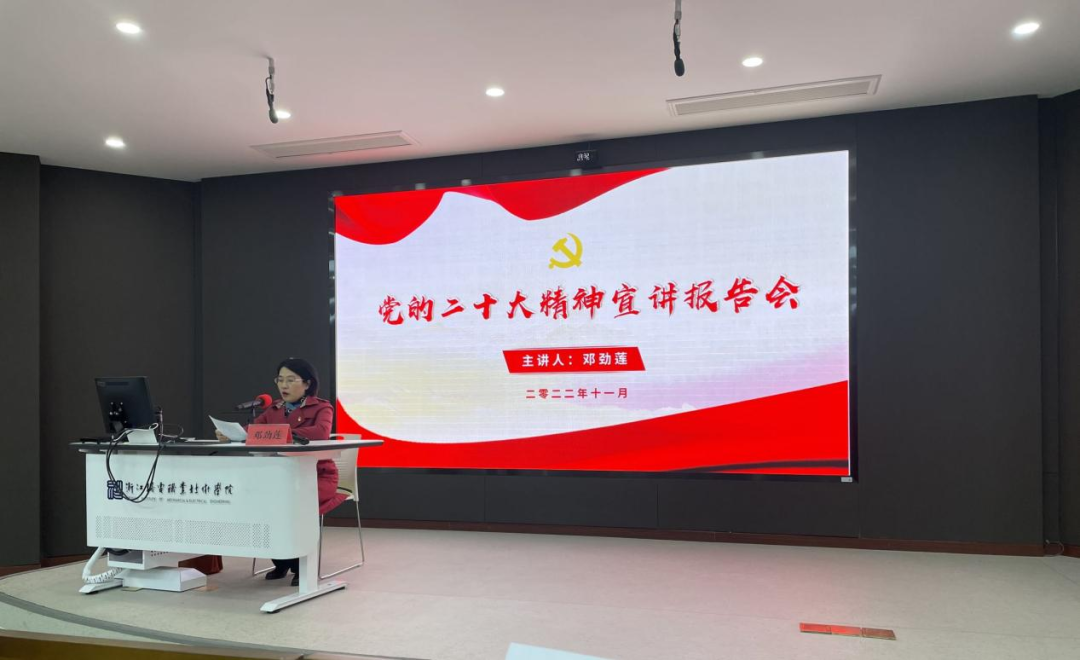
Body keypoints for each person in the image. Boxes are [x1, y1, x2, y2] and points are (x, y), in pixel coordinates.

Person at [216, 357, 345, 586]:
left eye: (290, 380)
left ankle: (301, 564)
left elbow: (321, 432)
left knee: (290, 502)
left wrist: (281, 432)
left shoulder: (322, 407)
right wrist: (231, 434)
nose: (283, 385)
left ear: (307, 383)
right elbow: (252, 429)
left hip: (316, 476)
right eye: (280, 380)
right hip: (280, 477)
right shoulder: (274, 408)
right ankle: (281, 560)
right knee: (260, 500)